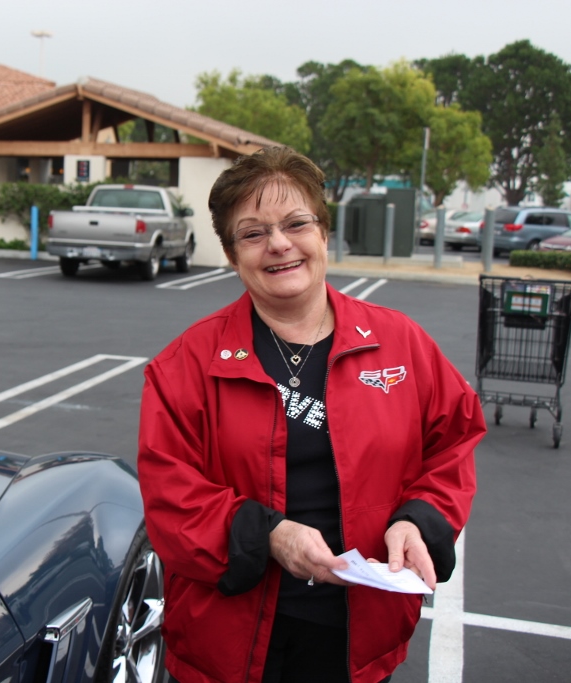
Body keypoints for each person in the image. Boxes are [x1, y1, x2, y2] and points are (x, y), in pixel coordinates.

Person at [137, 147, 485, 683]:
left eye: (296, 223)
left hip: (358, 629)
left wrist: (419, 519)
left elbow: (454, 441)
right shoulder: (185, 365)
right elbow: (170, 497)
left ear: (323, 233)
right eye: (253, 233)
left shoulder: (400, 343)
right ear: (232, 255)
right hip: (227, 640)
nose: (278, 243)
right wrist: (269, 536)